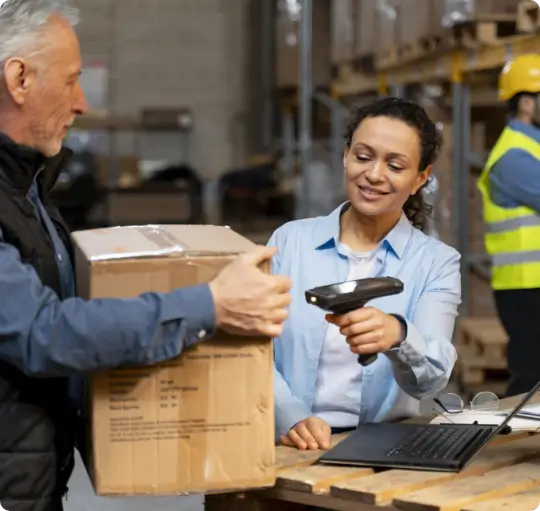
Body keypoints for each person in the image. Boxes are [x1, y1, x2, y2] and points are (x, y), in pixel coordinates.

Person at [0, 2, 292, 510]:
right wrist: (209, 306)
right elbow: (43, 333)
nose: (82, 103)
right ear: (19, 78)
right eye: (71, 81)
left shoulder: (26, 189)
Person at [268, 97, 461, 450]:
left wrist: (399, 336)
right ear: (345, 156)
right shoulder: (289, 242)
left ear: (421, 178)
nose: (373, 174)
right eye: (363, 156)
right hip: (288, 443)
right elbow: (256, 351)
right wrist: (290, 414)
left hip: (384, 449)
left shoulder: (436, 262)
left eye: (395, 165)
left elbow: (432, 380)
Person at [477, 54, 540, 398]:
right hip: (526, 288)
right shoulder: (514, 157)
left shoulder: (532, 147)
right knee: (531, 380)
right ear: (528, 103)